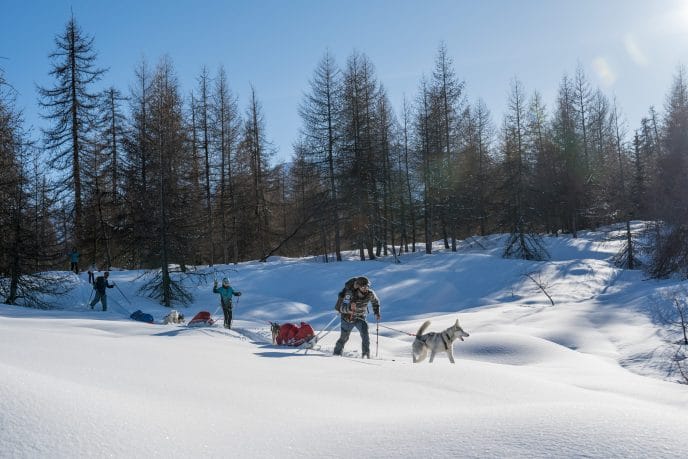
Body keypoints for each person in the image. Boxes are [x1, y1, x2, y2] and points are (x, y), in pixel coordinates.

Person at [333, 276, 381, 359]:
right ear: (358, 286)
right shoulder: (350, 294)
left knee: (365, 336)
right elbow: (342, 308)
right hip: (347, 319)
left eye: (367, 286)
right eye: (363, 287)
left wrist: (376, 312)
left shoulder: (370, 293)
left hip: (361, 318)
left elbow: (375, 302)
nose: (365, 288)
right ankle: (336, 354)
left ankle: (366, 355)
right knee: (344, 338)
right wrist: (349, 309)